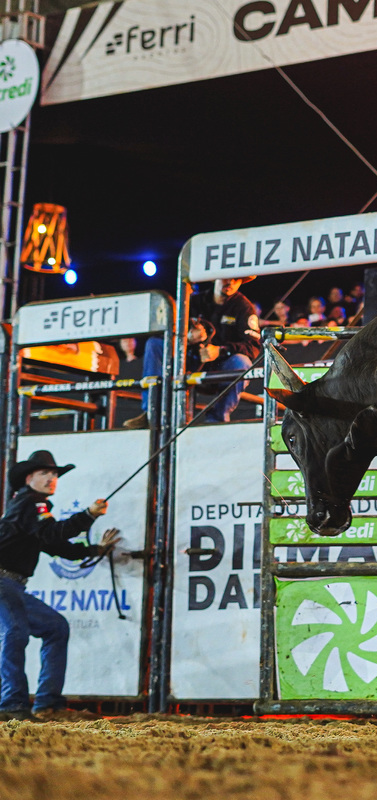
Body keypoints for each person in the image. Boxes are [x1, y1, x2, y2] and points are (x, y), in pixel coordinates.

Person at [0, 451, 119, 721]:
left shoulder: (29, 507)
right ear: (29, 478)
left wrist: (94, 549)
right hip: (5, 583)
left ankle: (45, 703)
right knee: (16, 632)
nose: (51, 478)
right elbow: (54, 535)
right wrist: (88, 515)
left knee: (53, 628)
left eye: (54, 474)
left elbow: (55, 545)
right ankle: (13, 705)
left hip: (11, 585)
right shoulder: (32, 504)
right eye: (44, 473)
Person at [126, 278, 262, 428]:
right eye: (226, 277)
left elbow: (253, 346)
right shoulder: (193, 301)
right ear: (215, 277)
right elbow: (168, 331)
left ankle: (217, 420)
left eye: (236, 279)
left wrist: (220, 351)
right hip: (188, 361)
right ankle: (152, 413)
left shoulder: (244, 308)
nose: (230, 282)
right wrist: (187, 338)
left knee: (242, 362)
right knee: (155, 344)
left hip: (219, 368)